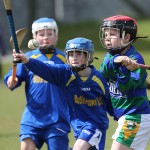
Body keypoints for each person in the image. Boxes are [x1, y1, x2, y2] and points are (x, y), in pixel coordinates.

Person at [11, 37, 114, 150]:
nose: (74, 57)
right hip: (78, 127)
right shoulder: (65, 74)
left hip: (96, 125)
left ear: (88, 55)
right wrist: (26, 60)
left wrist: (122, 116)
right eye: (71, 54)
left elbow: (110, 102)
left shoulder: (99, 80)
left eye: (79, 53)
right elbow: (45, 69)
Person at [4, 17, 71, 150]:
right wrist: (11, 81)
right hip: (33, 117)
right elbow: (12, 78)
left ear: (56, 36)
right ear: (34, 37)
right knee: (26, 147)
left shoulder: (65, 58)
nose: (45, 38)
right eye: (41, 34)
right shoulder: (27, 57)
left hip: (57, 117)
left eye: (50, 34)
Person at [99, 15, 150, 150]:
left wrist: (125, 70)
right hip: (125, 115)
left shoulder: (136, 59)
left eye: (112, 34)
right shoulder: (110, 56)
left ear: (127, 38)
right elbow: (104, 71)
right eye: (105, 34)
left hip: (136, 115)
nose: (107, 38)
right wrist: (117, 60)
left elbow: (125, 88)